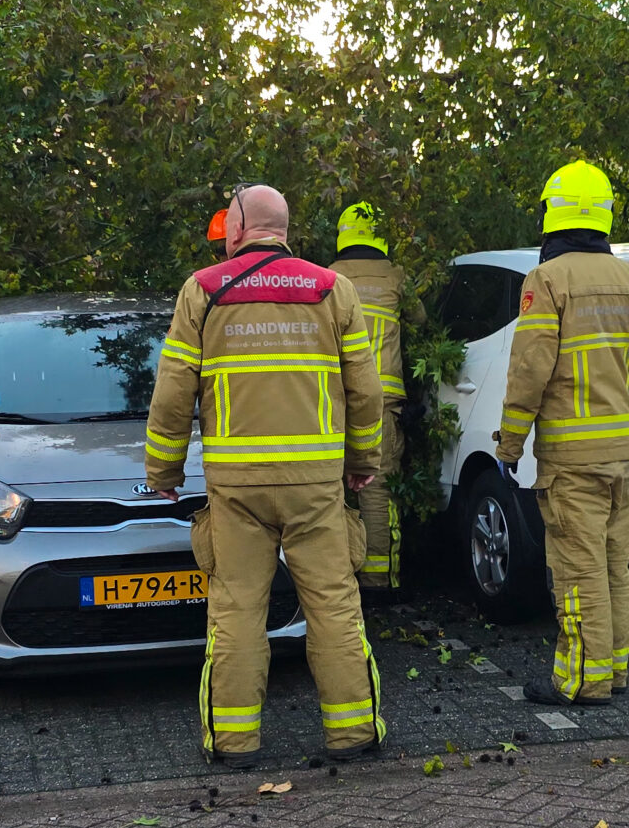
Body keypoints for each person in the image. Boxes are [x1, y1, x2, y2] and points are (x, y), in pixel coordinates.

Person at [143, 184, 386, 766]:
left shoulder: (202, 291)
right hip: (316, 484)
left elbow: (174, 392)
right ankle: (353, 735)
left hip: (237, 486)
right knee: (332, 605)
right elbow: (366, 390)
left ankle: (234, 743)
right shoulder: (333, 289)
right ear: (285, 226)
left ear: (240, 227)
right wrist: (362, 464)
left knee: (235, 609)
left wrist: (164, 469)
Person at [495, 160, 629, 707]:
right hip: (617, 456)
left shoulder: (548, 280)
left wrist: (510, 444)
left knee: (578, 570)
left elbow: (530, 371)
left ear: (552, 215)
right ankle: (613, 673)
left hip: (570, 458)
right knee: (614, 569)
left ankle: (584, 681)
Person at [328, 202, 424, 596]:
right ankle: (377, 581)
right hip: (383, 404)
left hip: (334, 404)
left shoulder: (329, 279)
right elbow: (419, 321)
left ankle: (336, 581)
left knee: (331, 489)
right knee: (376, 489)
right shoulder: (397, 278)